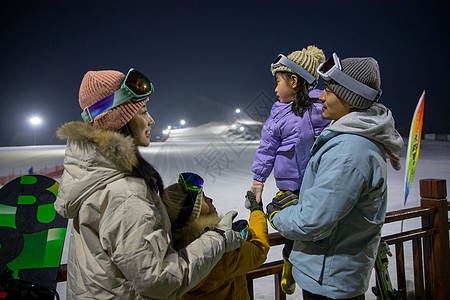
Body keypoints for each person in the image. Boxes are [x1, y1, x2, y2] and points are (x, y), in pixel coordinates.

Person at [54, 68, 246, 299]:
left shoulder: (93, 175)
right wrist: (218, 239)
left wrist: (165, 215)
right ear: (119, 120)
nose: (151, 120)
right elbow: (159, 280)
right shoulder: (124, 193)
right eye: (142, 112)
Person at [266, 53, 404, 299]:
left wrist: (279, 215)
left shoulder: (349, 153)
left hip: (330, 276)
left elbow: (313, 221)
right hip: (335, 273)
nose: (322, 96)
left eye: (329, 90)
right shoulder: (350, 140)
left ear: (350, 100)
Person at [250, 46, 330, 294]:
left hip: (319, 183)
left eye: (278, 82)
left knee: (319, 231)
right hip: (291, 186)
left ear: (294, 81)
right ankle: (289, 260)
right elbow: (266, 149)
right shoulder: (278, 114)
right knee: (295, 230)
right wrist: (258, 180)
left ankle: (308, 268)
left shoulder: (323, 107)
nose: (275, 89)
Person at [161, 172, 269, 299]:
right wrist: (257, 212)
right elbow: (258, 251)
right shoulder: (219, 253)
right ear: (196, 214)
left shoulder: (170, 252)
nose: (210, 199)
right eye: (204, 199)